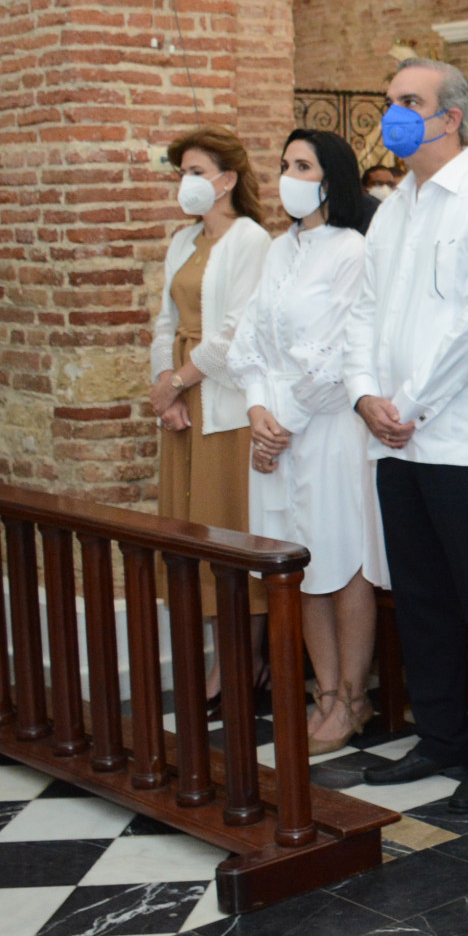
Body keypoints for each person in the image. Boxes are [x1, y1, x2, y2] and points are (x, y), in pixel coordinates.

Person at [346, 58, 468, 813]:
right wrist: (365, 395)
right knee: (421, 595)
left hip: (463, 439)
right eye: (389, 100)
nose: (392, 113)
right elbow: (363, 311)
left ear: (451, 116)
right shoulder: (394, 207)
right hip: (394, 436)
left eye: (408, 101)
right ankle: (440, 735)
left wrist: (408, 405)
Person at [229, 129, 387, 755]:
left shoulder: (352, 249)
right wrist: (258, 410)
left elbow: (341, 354)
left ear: (332, 178)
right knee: (296, 562)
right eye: (285, 164)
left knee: (342, 562)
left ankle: (353, 696)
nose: (288, 176)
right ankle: (324, 693)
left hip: (327, 430)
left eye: (303, 166)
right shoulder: (278, 250)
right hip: (275, 430)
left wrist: (284, 422)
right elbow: (247, 342)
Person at [151, 126, 274, 701]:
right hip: (182, 402)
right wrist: (167, 389)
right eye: (182, 173)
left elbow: (234, 333)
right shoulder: (183, 239)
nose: (186, 182)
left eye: (196, 172)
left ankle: (244, 662)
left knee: (229, 529)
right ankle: (217, 659)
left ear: (226, 180)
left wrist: (178, 381)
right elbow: (164, 321)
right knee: (189, 530)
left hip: (224, 402)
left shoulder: (251, 239)